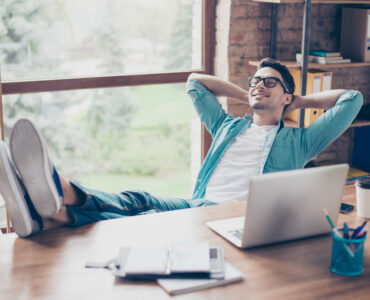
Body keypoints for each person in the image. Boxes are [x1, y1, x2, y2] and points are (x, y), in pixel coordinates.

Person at [0, 58, 363, 237]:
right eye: (256, 80)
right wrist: (248, 93)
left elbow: (352, 99)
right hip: (196, 203)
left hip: (231, 218)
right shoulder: (227, 125)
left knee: (143, 221)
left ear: (286, 94)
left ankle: (54, 196)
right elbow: (194, 83)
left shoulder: (299, 141)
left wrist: (295, 102)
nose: (259, 85)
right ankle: (53, 210)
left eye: (270, 82)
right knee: (138, 199)